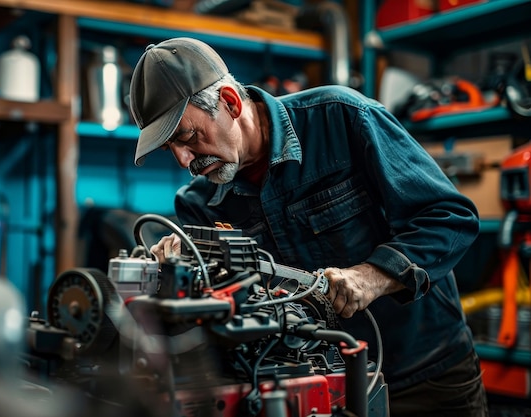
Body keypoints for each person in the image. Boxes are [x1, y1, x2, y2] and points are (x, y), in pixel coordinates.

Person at [128, 37, 489, 417]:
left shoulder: (342, 118)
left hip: (425, 378)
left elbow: (450, 217)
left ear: (231, 103)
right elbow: (225, 312)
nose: (185, 160)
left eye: (187, 136)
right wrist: (179, 277)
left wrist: (373, 276)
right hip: (316, 392)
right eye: (171, 148)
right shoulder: (197, 203)